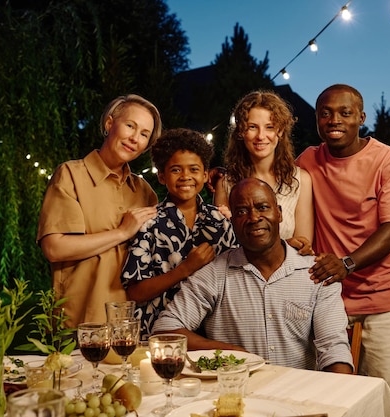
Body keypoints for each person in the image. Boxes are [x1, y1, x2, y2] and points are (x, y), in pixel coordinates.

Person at [153, 178, 353, 373]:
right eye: (241, 211)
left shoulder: (316, 274)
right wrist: (228, 351)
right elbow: (165, 330)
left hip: (298, 395)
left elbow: (334, 348)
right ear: (232, 221)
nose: (254, 217)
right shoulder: (214, 274)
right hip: (235, 395)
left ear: (279, 213)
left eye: (263, 207)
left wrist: (339, 398)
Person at [296, 84, 390, 411]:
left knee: (381, 399)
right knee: (328, 400)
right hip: (327, 298)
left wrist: (346, 264)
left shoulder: (388, 160)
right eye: (326, 113)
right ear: (317, 119)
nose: (335, 120)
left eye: (345, 113)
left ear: (361, 117)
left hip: (382, 296)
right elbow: (274, 185)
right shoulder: (307, 160)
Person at [37, 94, 161, 328]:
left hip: (131, 324)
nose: (135, 138)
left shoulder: (144, 191)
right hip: (80, 323)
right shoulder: (71, 175)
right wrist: (122, 233)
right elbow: (54, 248)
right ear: (109, 124)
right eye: (130, 126)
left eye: (144, 134)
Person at [120, 128, 238, 339]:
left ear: (204, 174)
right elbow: (134, 293)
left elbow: (237, 279)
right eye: (176, 170)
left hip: (212, 334)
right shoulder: (149, 223)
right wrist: (185, 269)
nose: (186, 177)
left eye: (193, 169)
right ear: (162, 176)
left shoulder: (220, 222)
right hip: (157, 336)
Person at [213, 90, 314, 251]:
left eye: (269, 127)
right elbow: (223, 249)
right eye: (252, 127)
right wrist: (285, 244)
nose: (261, 136)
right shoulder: (226, 184)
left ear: (280, 131)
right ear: (241, 131)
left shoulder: (301, 180)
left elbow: (304, 246)